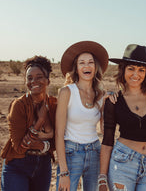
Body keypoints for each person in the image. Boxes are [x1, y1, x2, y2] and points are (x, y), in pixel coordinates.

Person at [99, 44, 146, 191]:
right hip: (122, 164)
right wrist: (102, 178)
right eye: (131, 68)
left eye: (141, 70)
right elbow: (107, 141)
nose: (135, 74)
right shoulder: (114, 101)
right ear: (123, 69)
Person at [55, 41, 109, 191]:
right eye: (82, 63)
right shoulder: (67, 92)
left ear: (95, 67)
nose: (87, 66)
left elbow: (104, 130)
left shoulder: (101, 94)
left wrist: (108, 107)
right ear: (77, 68)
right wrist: (63, 171)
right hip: (71, 152)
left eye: (91, 62)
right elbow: (59, 134)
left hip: (94, 152)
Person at [1, 56, 57, 191]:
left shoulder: (54, 104)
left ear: (48, 80)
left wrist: (40, 145)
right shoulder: (19, 105)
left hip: (43, 166)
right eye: (29, 78)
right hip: (17, 165)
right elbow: (20, 147)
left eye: (39, 77)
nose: (34, 81)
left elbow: (57, 142)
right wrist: (40, 121)